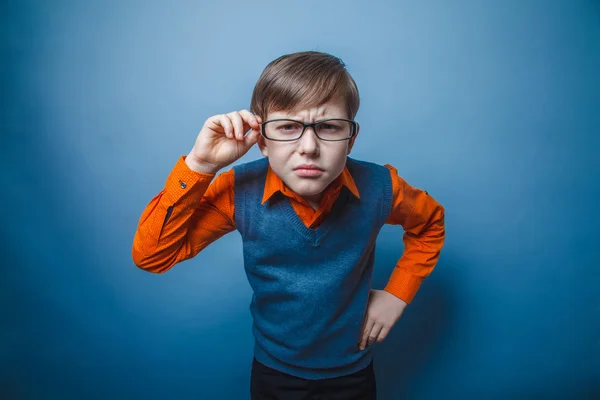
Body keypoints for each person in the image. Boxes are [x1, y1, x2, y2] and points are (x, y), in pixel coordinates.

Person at [132, 51, 446, 400]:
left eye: (328, 127)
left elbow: (430, 223)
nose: (308, 147)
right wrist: (201, 164)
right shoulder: (238, 193)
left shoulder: (380, 187)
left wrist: (397, 294)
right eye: (288, 127)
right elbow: (152, 256)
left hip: (353, 374)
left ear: (351, 138)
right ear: (262, 140)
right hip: (274, 374)